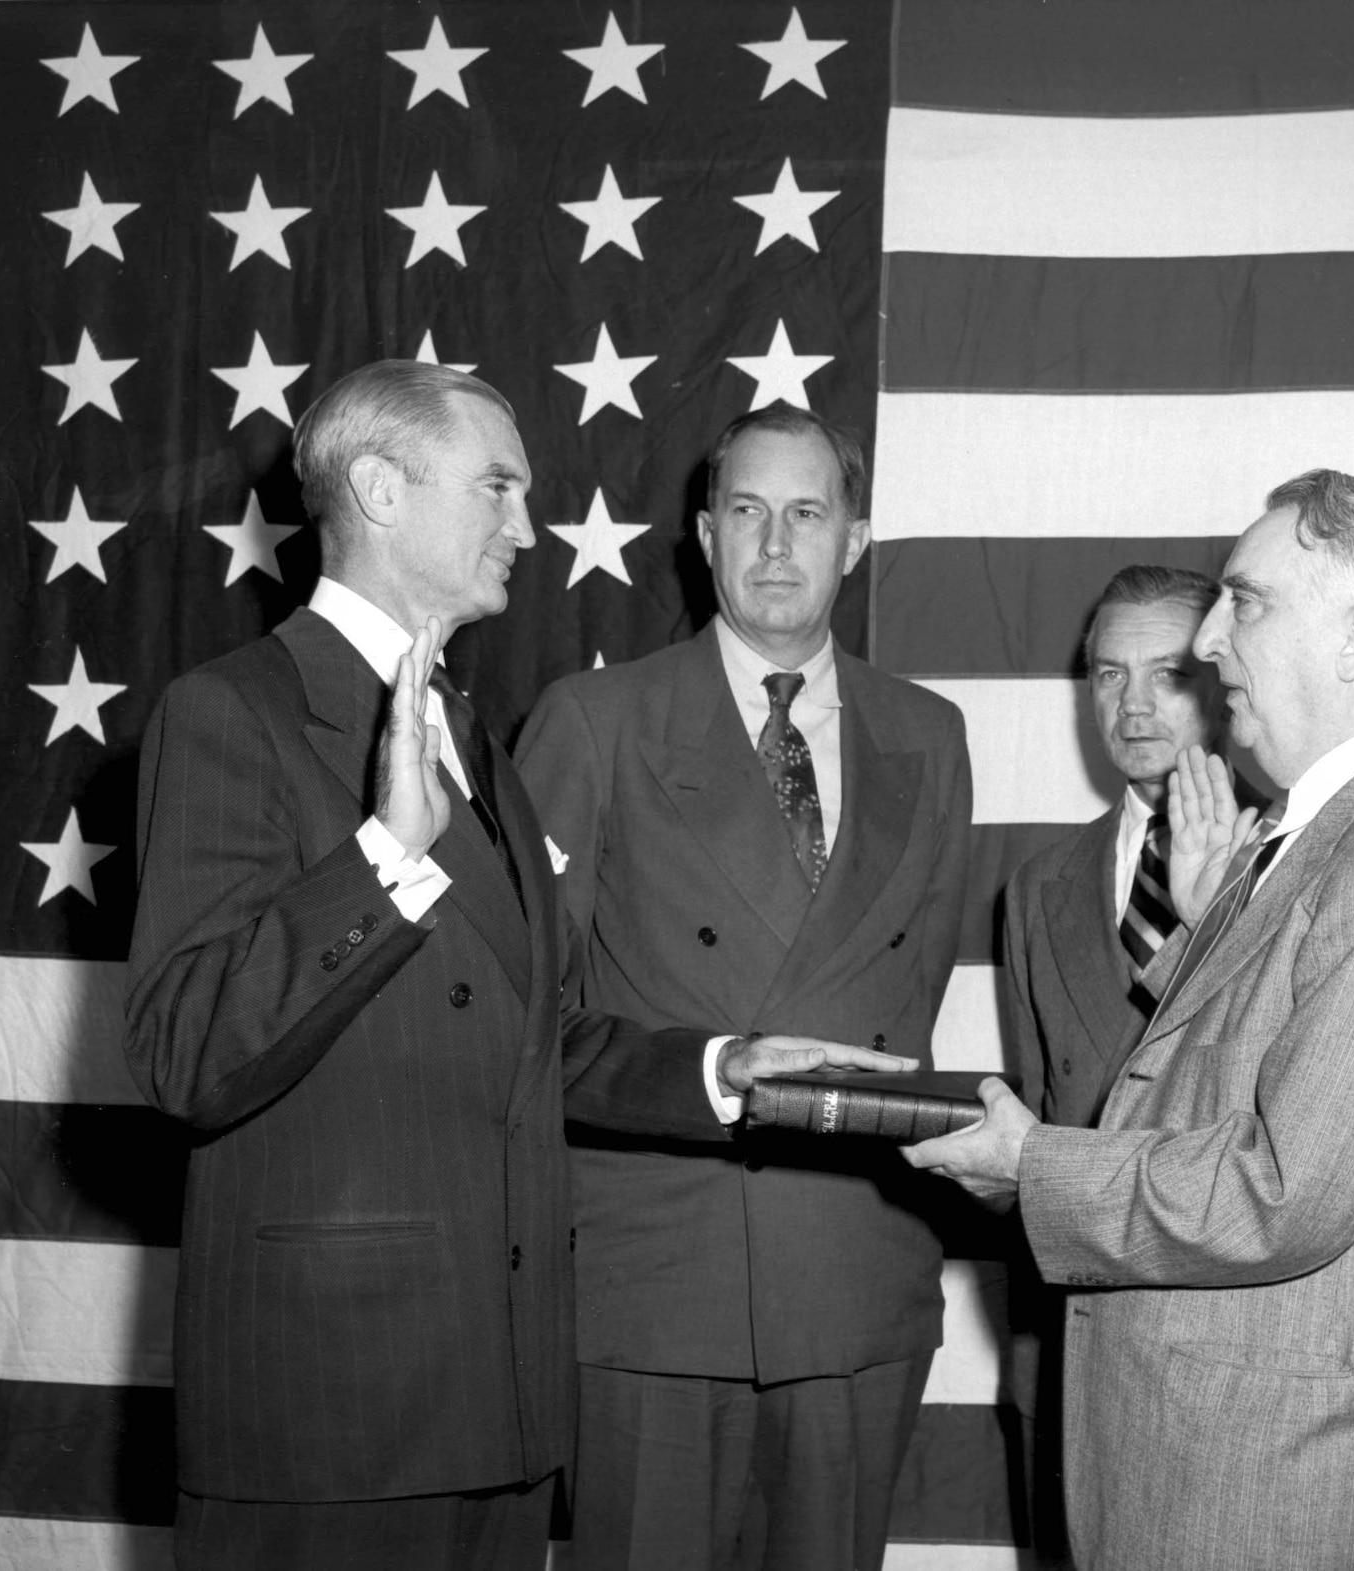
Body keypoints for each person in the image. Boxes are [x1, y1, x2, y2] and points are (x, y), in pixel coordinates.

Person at [125, 362, 901, 1570]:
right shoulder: (236, 711)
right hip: (332, 1412)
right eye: (497, 486)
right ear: (380, 490)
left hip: (495, 1395)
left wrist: (720, 1069)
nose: (526, 526)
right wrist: (384, 856)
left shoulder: (466, 727)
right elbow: (185, 1049)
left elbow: (533, 1031)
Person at [906, 470, 1354, 1570]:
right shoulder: (1318, 831)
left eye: (1247, 601)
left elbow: (1288, 1188)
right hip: (1189, 1451)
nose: (1213, 641)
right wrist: (1197, 934)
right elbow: (1239, 1066)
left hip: (1252, 1476)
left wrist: (1034, 1163)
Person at [514, 402, 974, 1571]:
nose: (776, 544)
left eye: (807, 513)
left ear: (854, 540)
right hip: (657, 1277)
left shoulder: (930, 733)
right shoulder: (593, 721)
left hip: (854, 1272)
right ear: (702, 535)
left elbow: (905, 1003)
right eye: (747, 512)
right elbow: (527, 1023)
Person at [1001, 565, 1240, 1127]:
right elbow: (1034, 1132)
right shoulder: (1037, 889)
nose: (1133, 704)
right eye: (1112, 674)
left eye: (1167, 674)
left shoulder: (1291, 852)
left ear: (1227, 684)